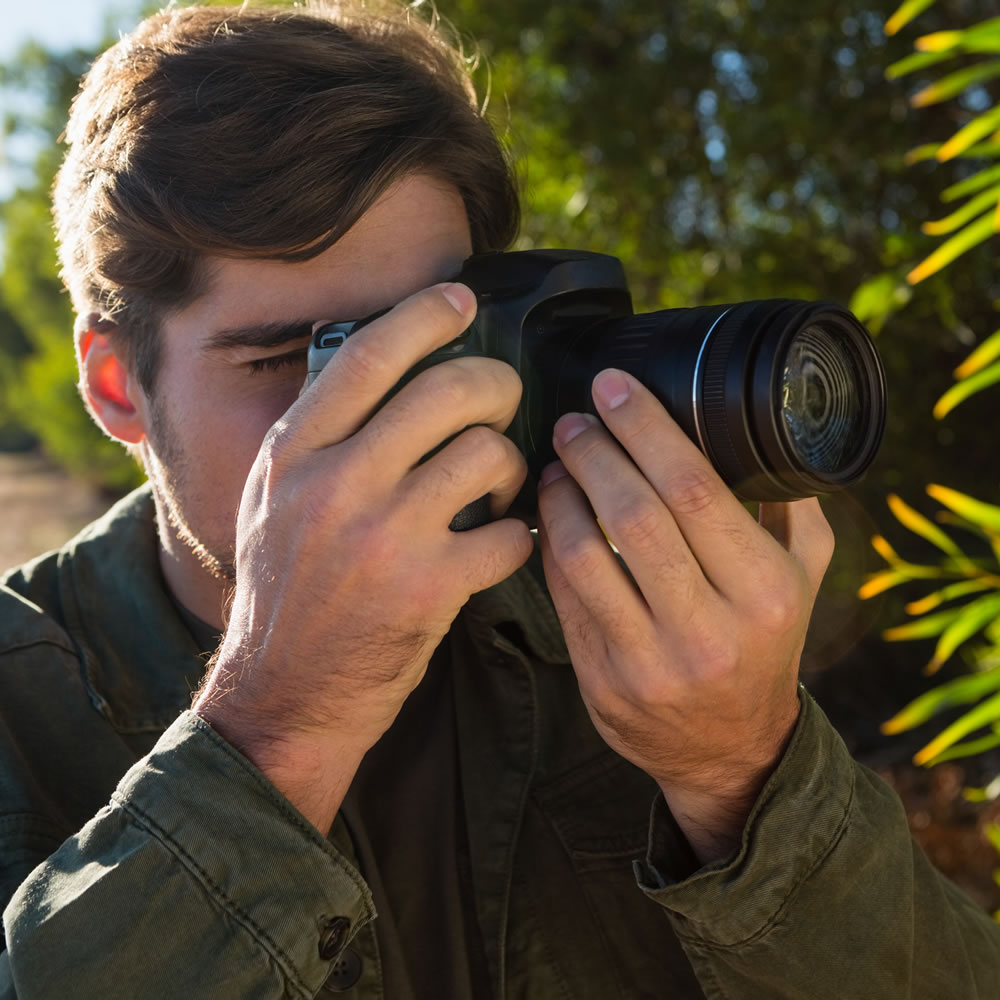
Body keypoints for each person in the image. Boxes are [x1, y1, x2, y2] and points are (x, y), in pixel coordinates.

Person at [0, 2, 997, 996]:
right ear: (117, 384)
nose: (396, 418)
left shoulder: (625, 634)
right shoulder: (19, 707)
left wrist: (743, 773)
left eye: (437, 343)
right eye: (295, 359)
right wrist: (277, 727)